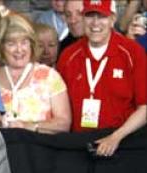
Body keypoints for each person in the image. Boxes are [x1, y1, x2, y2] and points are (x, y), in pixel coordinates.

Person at [57, 0, 146, 157]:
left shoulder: (133, 52)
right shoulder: (68, 56)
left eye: (102, 16)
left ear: (113, 19)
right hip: (79, 144)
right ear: (83, 18)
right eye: (90, 16)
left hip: (123, 143)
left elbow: (144, 108)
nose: (95, 23)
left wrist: (115, 137)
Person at [0, 14, 71, 133]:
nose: (19, 50)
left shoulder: (50, 76)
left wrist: (27, 126)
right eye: (11, 44)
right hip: (0, 148)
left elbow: (64, 123)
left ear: (31, 44)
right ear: (1, 46)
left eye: (24, 42)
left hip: (39, 148)